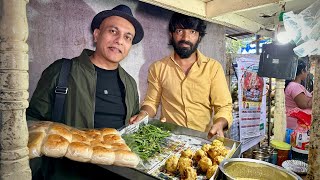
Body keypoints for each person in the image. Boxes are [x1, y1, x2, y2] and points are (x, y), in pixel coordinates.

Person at [27, 4, 144, 179]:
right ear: (97, 35)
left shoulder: (130, 83)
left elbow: (129, 132)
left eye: (128, 37)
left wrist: (141, 118)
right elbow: (31, 124)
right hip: (66, 174)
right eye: (113, 31)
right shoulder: (61, 71)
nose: (120, 40)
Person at [130, 12, 232, 139]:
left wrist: (220, 123)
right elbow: (151, 102)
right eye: (179, 31)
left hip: (203, 140)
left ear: (199, 37)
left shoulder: (213, 68)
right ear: (171, 34)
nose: (186, 38)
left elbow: (223, 106)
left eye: (192, 32)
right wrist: (144, 113)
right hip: (169, 140)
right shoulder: (158, 67)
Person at [285, 59, 312, 130]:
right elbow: (304, 105)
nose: (308, 72)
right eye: (306, 70)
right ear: (302, 71)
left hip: (298, 124)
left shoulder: (295, 85)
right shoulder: (295, 86)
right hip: (297, 127)